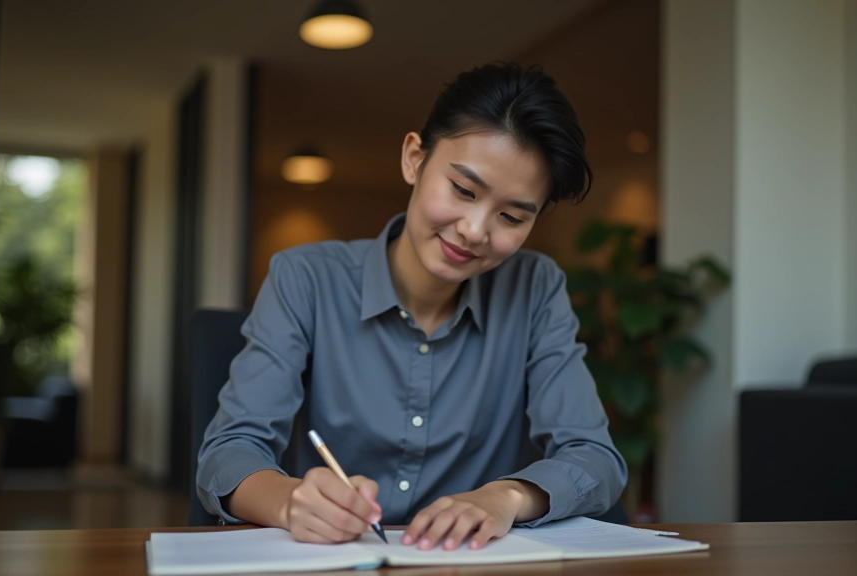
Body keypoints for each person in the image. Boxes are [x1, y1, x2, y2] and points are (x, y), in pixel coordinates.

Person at [196, 62, 627, 551]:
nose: (474, 230)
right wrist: (292, 502)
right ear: (414, 159)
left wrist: (506, 497)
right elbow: (227, 453)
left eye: (510, 216)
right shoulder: (306, 278)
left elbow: (594, 457)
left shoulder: (536, 288)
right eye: (463, 191)